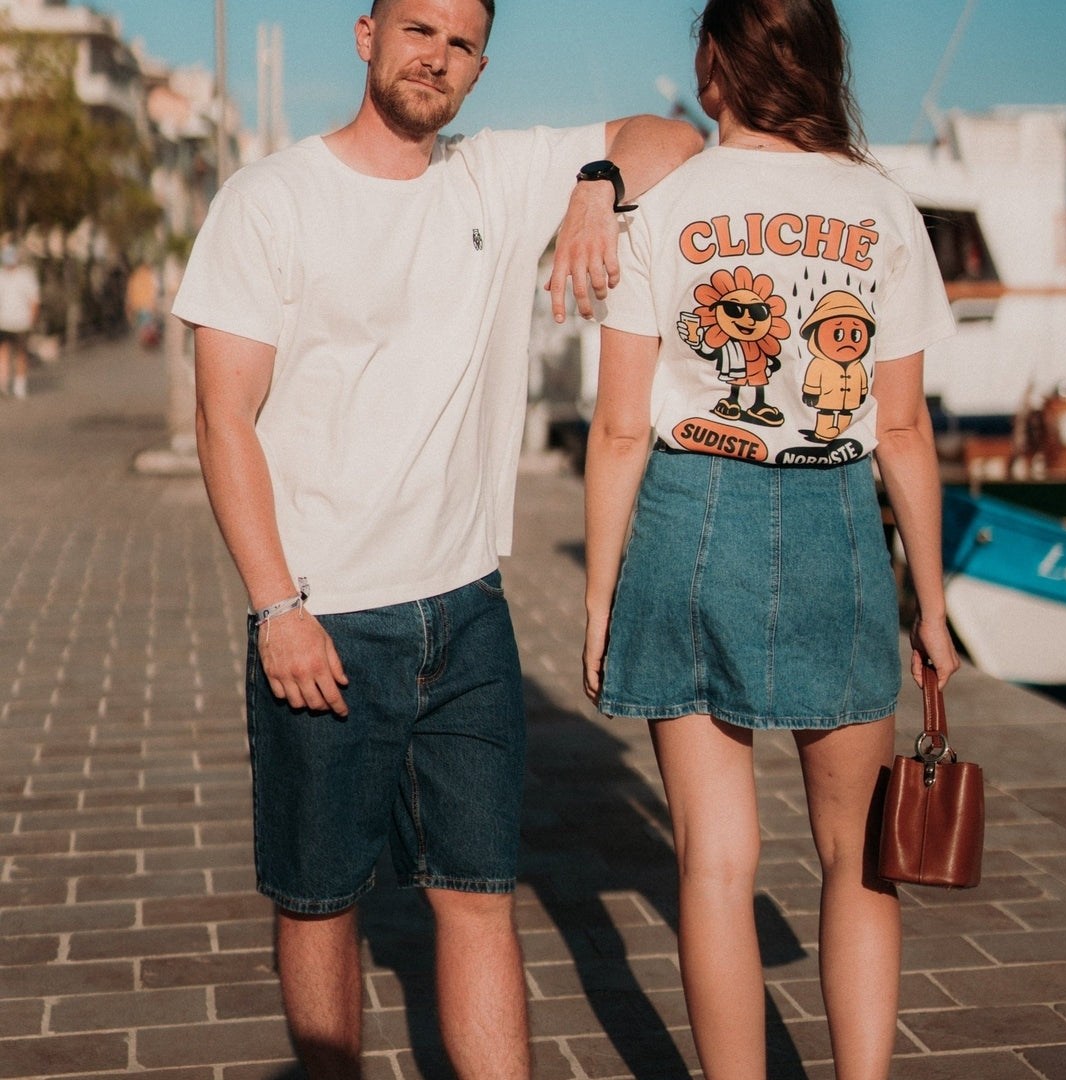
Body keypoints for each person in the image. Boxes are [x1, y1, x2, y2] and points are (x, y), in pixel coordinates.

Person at [172, 1, 701, 1076]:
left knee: (479, 901)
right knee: (322, 904)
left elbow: (674, 137)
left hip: (467, 615)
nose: (437, 57)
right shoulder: (269, 199)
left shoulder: (497, 175)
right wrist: (278, 608)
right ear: (366, 35)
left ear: (481, 65)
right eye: (418, 30)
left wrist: (598, 185)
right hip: (323, 618)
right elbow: (222, 417)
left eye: (460, 45)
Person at [581, 2, 960, 1078]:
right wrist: (928, 607)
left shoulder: (667, 203)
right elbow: (900, 429)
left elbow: (617, 428)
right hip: (836, 519)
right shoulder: (882, 206)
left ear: (714, 63)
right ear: (824, 65)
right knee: (858, 860)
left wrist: (603, 595)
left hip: (686, 516)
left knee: (713, 861)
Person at [0, 243, 41, 401]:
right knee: (3, 352)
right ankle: (3, 382)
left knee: (21, 354)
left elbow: (34, 300)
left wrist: (32, 319)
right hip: (3, 321)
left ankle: (20, 384)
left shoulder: (25, 275)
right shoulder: (1, 276)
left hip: (21, 322)